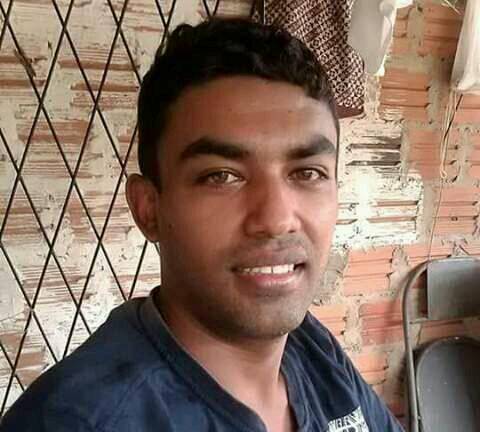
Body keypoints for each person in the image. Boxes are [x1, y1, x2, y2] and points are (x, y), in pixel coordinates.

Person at [0, 18, 404, 432]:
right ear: (148, 209)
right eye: (221, 176)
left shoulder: (311, 351)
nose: (276, 219)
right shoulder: (79, 421)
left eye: (307, 173)